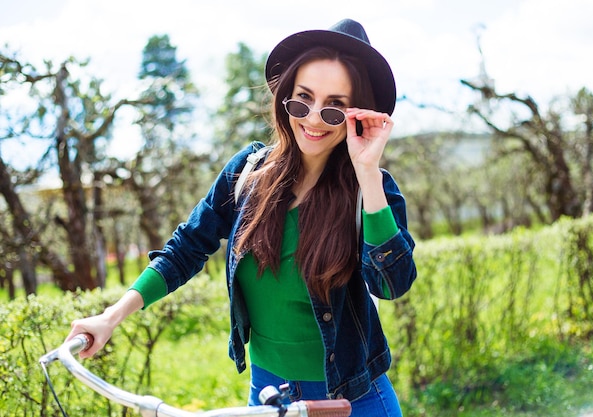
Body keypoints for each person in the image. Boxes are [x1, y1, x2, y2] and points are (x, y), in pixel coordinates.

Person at [67, 18, 417, 417]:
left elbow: (392, 283)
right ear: (286, 97)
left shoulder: (372, 191)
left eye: (335, 107)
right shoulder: (247, 173)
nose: (315, 118)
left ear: (357, 114)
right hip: (270, 394)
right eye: (303, 99)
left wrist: (367, 170)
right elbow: (186, 247)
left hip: (353, 400)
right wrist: (111, 317)